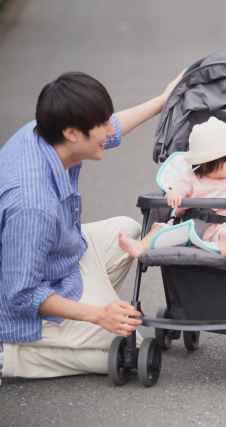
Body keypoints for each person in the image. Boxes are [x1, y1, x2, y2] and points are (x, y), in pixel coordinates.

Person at [0, 70, 184, 382]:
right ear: (72, 133)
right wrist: (98, 315)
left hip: (60, 258)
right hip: (22, 300)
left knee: (127, 229)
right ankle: (12, 355)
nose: (109, 129)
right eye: (101, 124)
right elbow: (21, 294)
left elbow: (112, 129)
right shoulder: (33, 203)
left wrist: (162, 101)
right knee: (127, 349)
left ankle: (82, 320)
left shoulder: (46, 131)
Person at [118, 117, 226, 258]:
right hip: (188, 225)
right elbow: (174, 191)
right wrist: (173, 194)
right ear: (209, 163)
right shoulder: (190, 178)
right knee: (160, 227)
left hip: (222, 224)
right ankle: (140, 246)